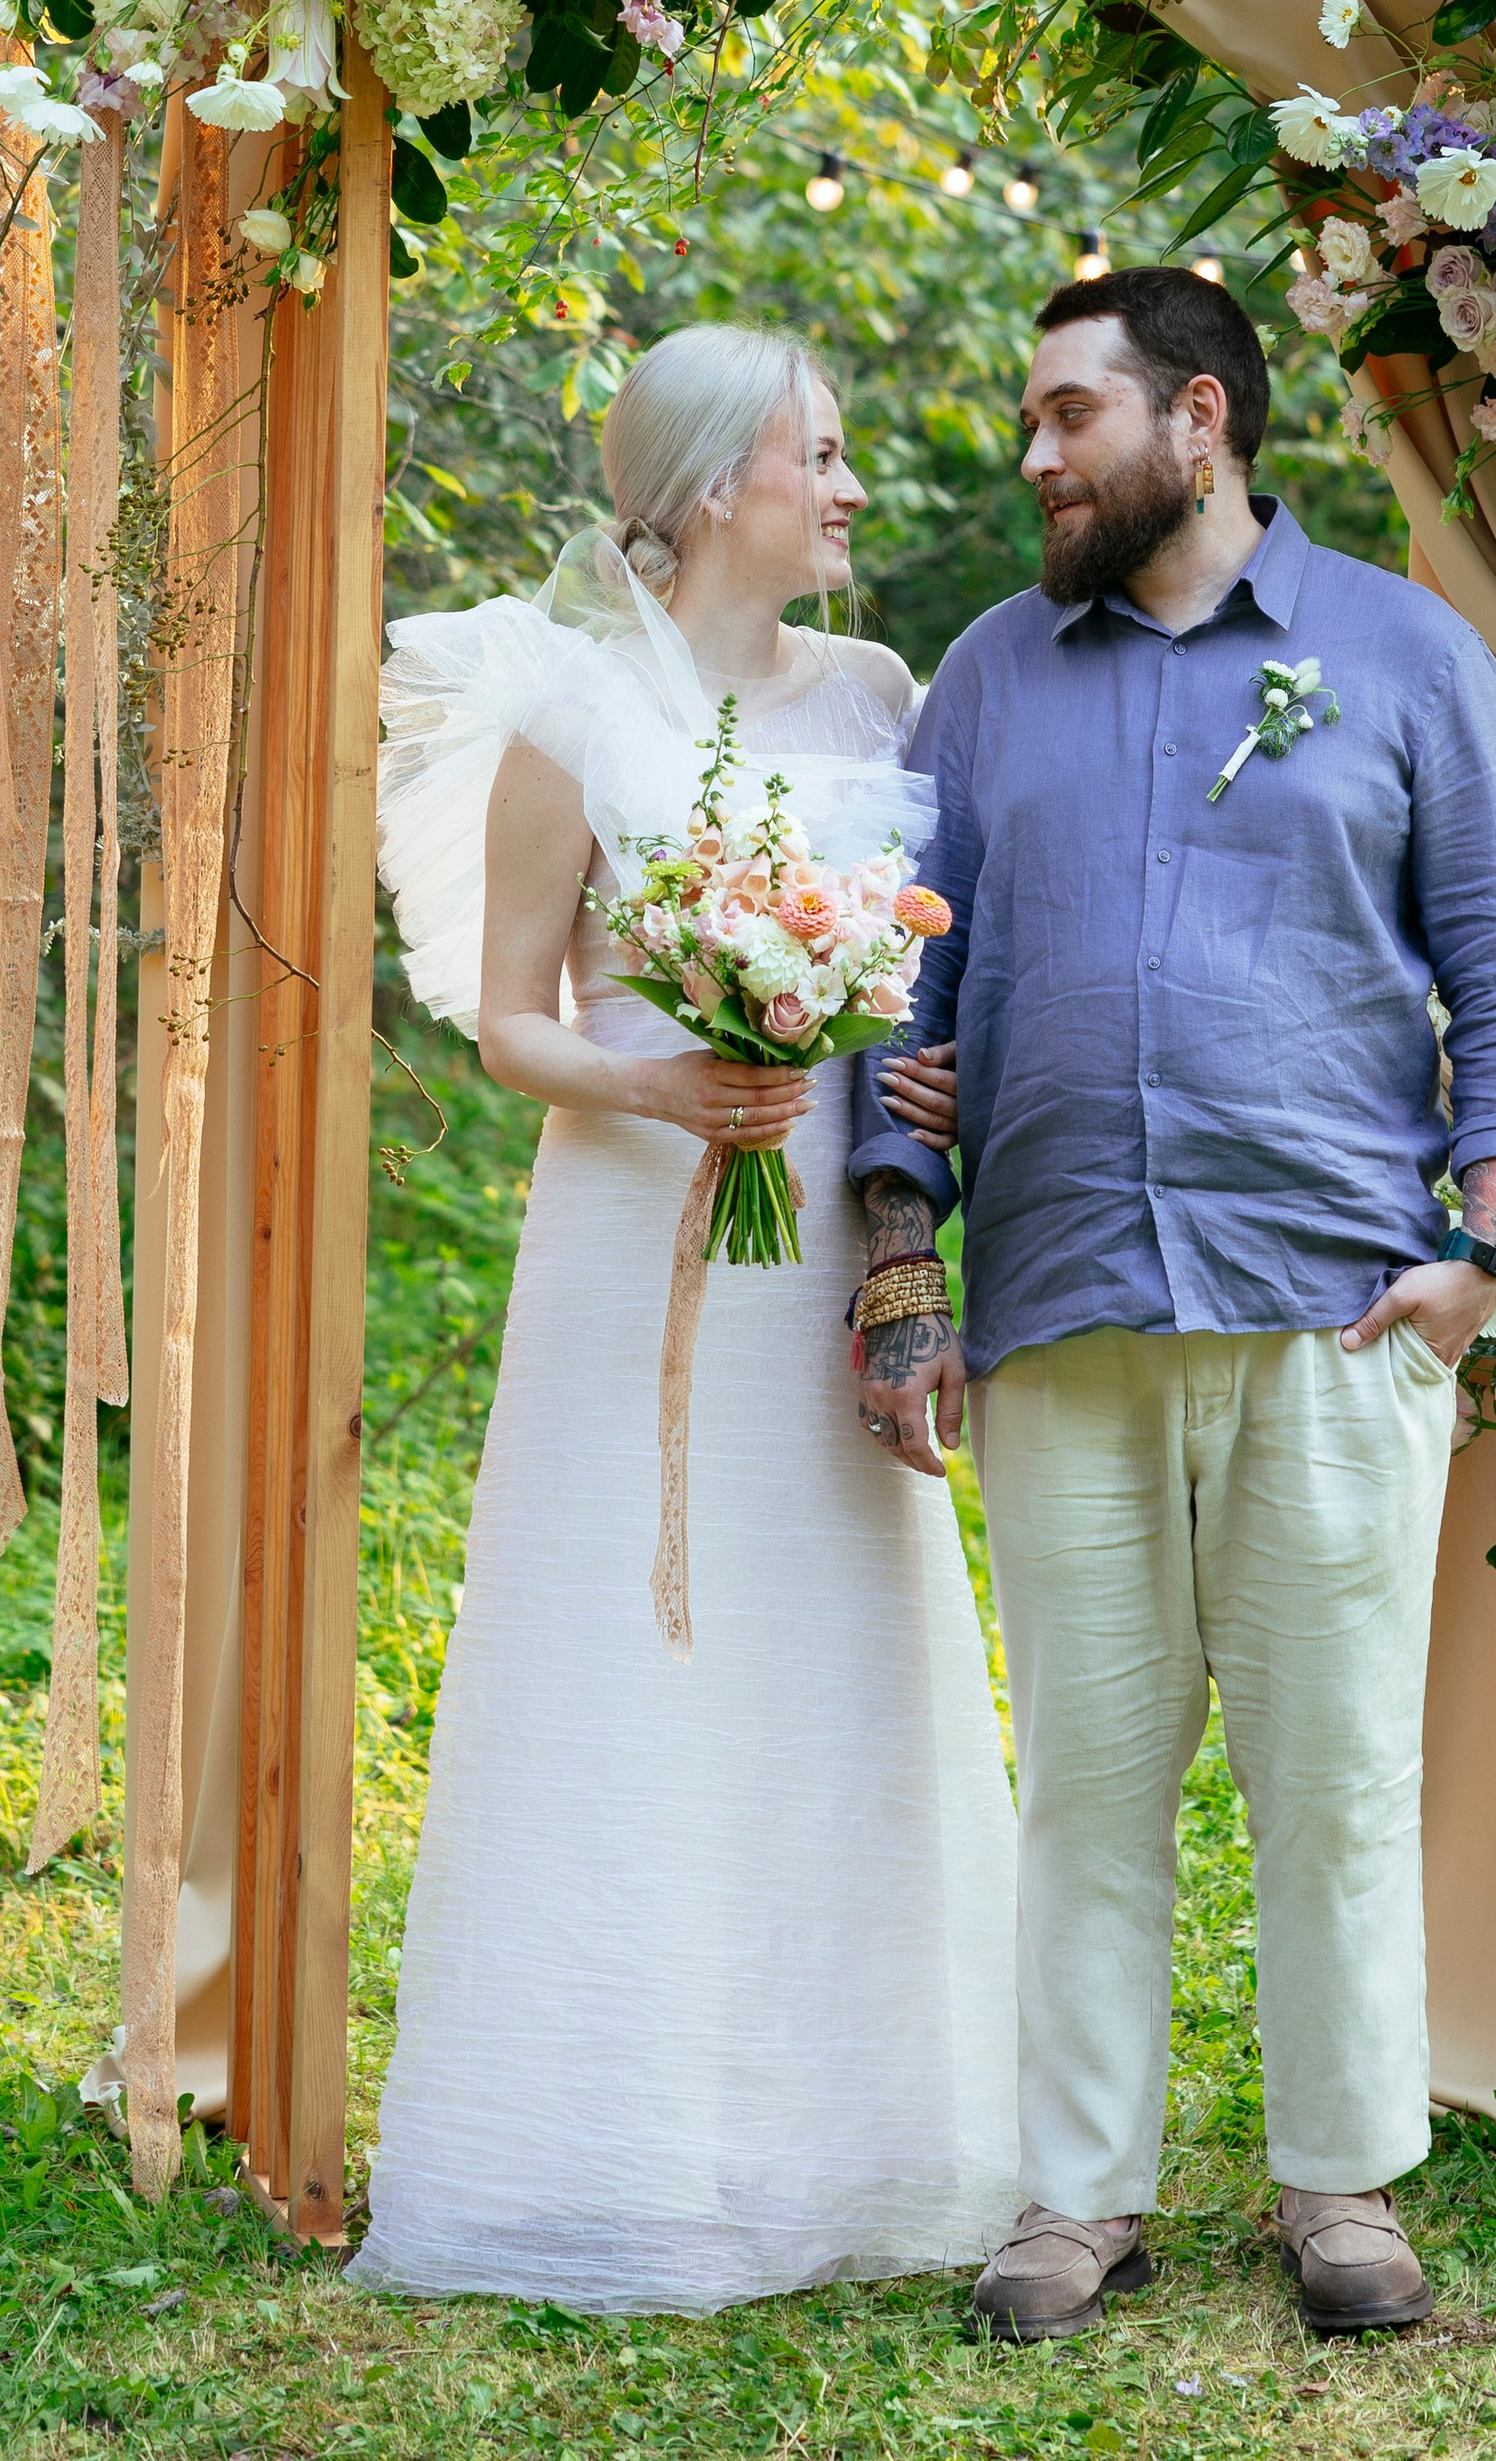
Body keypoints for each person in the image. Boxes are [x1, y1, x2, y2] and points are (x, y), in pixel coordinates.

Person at [850, 265, 1496, 2345]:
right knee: (1088, 1780)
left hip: (1332, 1307)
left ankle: (1339, 2184)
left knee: (1330, 1780)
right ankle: (1079, 2196)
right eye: (1031, 421)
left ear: (1199, 419)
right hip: (1062, 1301)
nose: (1035, 457)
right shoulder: (989, 676)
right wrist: (899, 1269)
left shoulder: (1403, 654)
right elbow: (900, 988)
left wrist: (1485, 1250)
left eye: (1067, 414)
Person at [346, 322, 1017, 2313]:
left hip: (820, 1246)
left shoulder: (882, 695)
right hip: (633, 1232)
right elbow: (508, 1020)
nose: (849, 488)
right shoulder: (572, 713)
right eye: (821, 453)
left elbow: (926, 971)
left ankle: (865, 2138)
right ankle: (606, 2140)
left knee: (831, 1638)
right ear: (718, 482)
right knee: (634, 1639)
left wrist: (923, 1081)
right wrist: (659, 1084)